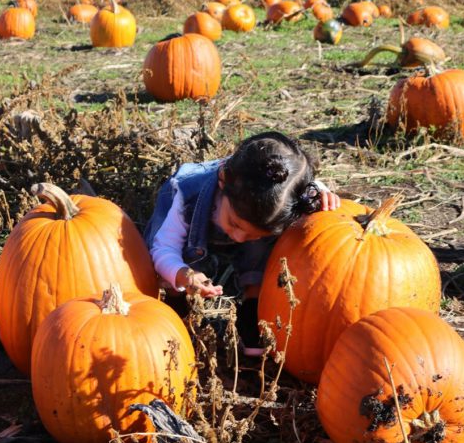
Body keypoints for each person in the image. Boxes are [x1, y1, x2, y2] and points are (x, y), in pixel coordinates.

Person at [143, 131, 341, 356]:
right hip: (191, 231)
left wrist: (322, 196)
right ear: (222, 181)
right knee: (168, 268)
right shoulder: (186, 198)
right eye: (234, 224)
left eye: (251, 233)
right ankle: (175, 309)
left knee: (261, 249)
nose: (238, 237)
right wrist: (183, 274)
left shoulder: (286, 197)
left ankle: (251, 309)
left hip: (250, 213)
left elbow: (303, 186)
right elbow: (164, 248)